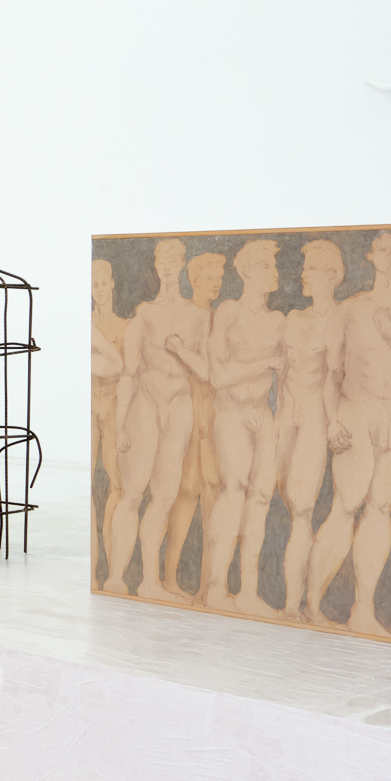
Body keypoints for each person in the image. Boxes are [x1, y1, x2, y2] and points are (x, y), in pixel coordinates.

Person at [309, 232, 391, 638]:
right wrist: (332, 421)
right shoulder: (350, 310)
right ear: (371, 256)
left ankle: (362, 610)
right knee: (346, 504)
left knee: (380, 507)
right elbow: (332, 375)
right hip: (355, 413)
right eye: (385, 249)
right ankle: (312, 606)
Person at [104, 239, 205, 598]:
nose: (167, 264)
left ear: (182, 264)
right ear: (156, 264)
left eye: (173, 259)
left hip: (178, 405)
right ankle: (115, 578)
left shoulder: (198, 316)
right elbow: (129, 373)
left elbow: (206, 371)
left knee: (164, 496)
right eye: (162, 259)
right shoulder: (144, 314)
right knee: (133, 492)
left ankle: (149, 582)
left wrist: (180, 350)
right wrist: (120, 425)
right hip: (145, 404)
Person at [200, 241, 285, 612]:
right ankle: (216, 589)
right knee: (234, 491)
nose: (273, 272)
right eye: (265, 265)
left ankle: (248, 593)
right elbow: (218, 376)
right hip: (232, 413)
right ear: (247, 271)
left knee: (261, 499)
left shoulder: (278, 321)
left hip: (262, 416)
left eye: (273, 265)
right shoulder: (229, 312)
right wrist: (264, 362)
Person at [275, 240, 341, 620]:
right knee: (285, 505)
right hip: (286, 416)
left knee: (302, 509)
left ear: (332, 274)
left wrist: (335, 421)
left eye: (312, 268)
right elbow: (281, 374)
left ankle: (302, 604)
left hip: (316, 416)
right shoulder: (293, 319)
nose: (303, 274)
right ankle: (291, 604)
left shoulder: (341, 320)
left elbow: (336, 377)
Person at [158, 252, 224, 599]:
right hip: (192, 410)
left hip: (217, 411)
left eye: (219, 277)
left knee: (214, 494)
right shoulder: (187, 316)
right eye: (210, 277)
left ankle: (207, 587)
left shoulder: (216, 317)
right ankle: (169, 578)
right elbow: (198, 369)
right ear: (195, 279)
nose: (217, 283)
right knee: (187, 493)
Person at [90, 259, 130, 560]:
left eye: (104, 283)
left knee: (117, 482)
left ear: (113, 284)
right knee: (88, 482)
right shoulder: (86, 326)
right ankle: (91, 565)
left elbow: (124, 371)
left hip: (114, 407)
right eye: (94, 285)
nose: (100, 290)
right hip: (90, 407)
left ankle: (111, 557)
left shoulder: (123, 326)